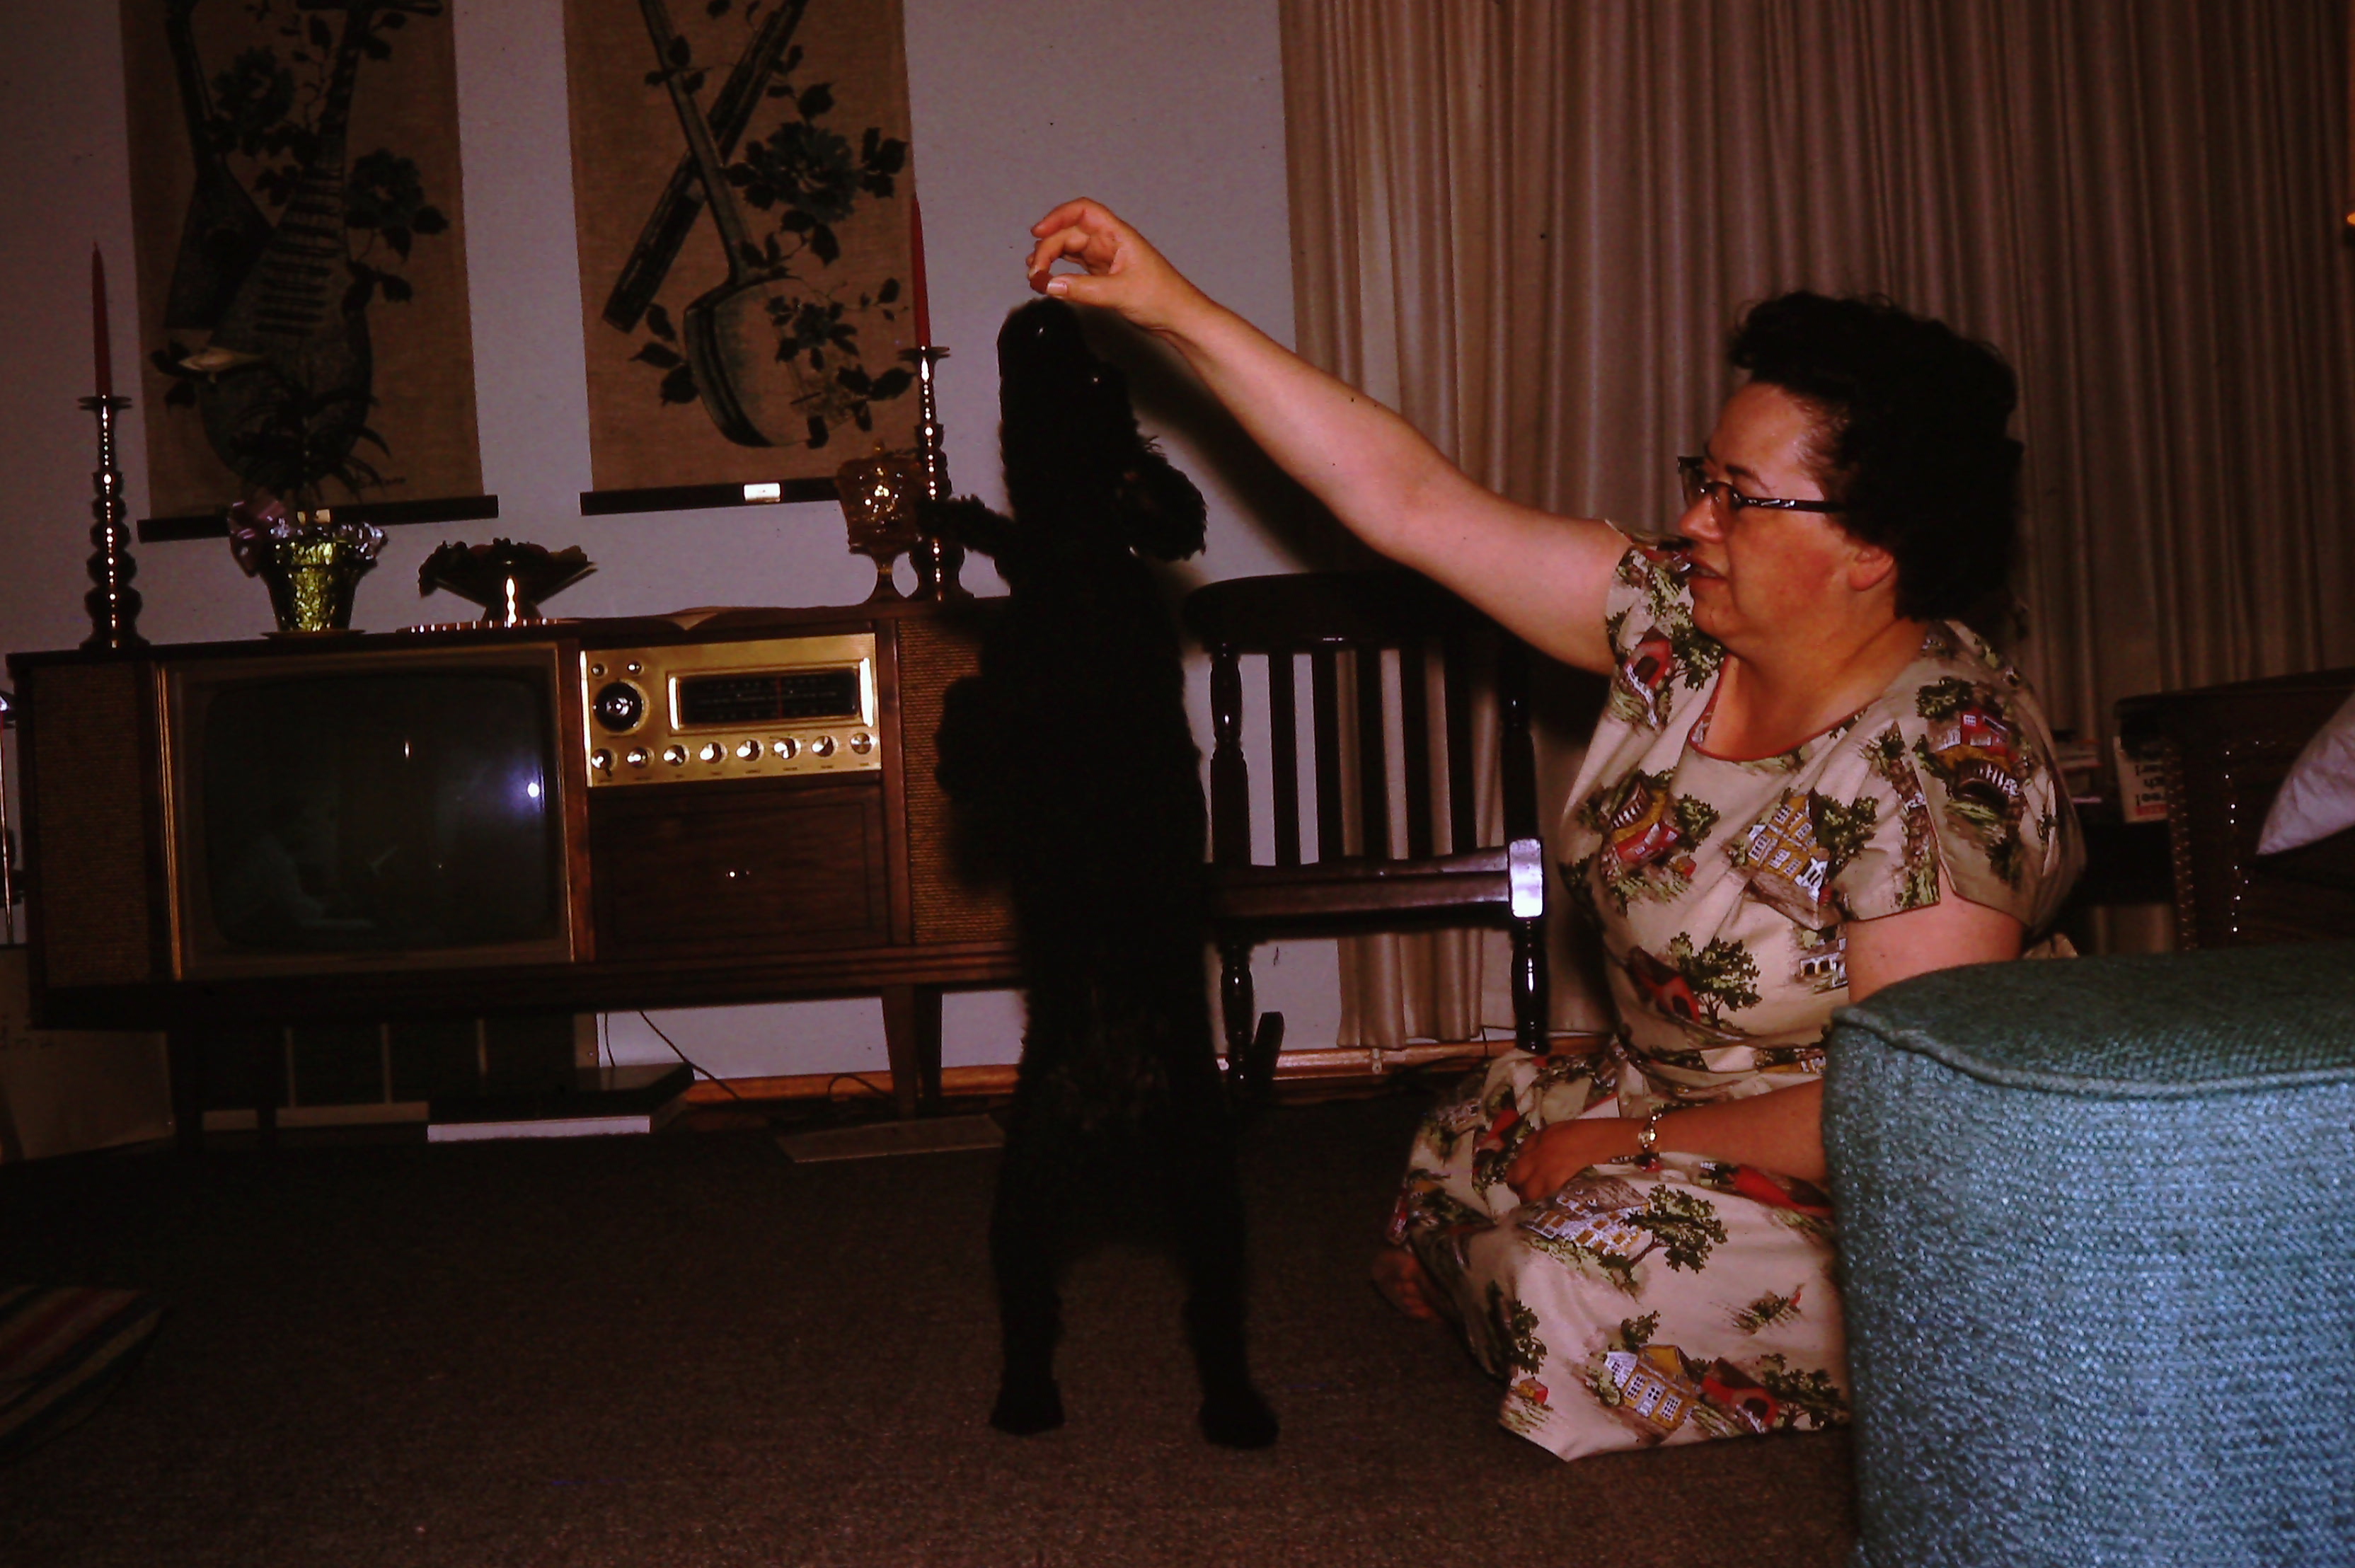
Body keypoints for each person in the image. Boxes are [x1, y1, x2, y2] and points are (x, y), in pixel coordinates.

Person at [1023, 199, 2083, 1460]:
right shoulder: (1684, 629)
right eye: (1703, 480)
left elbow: (1912, 1110)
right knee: (1473, 1127)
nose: (1695, 520)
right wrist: (1171, 309)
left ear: (1871, 548)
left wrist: (1632, 1143)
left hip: (1868, 1181)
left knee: (1566, 1275)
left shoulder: (1948, 763)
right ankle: (1506, 1257)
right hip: (1673, 1097)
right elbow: (1411, 502)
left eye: (1739, 499)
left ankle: (1567, 1292)